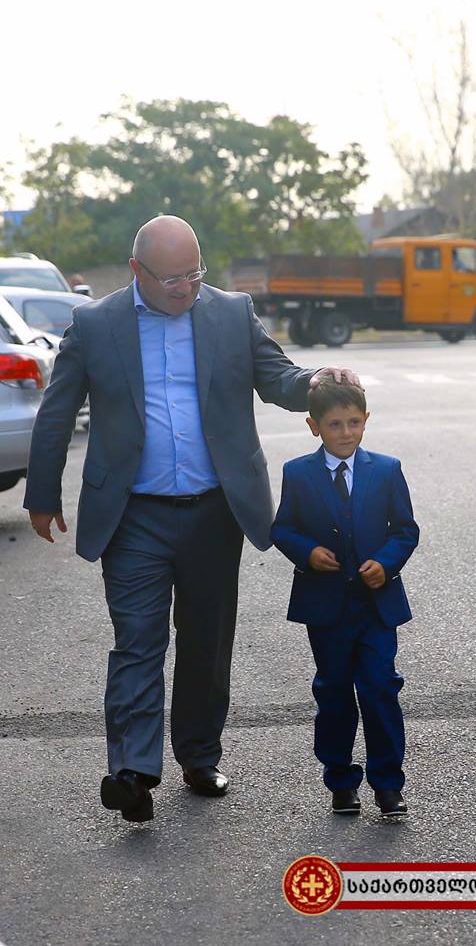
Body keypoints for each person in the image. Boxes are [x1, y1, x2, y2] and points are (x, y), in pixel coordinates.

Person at [23, 215, 360, 823]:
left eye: (194, 274)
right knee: (138, 641)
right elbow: (58, 410)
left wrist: (314, 380)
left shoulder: (230, 313)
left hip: (213, 510)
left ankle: (200, 756)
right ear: (138, 271)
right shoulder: (96, 324)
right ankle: (132, 771)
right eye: (172, 279)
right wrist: (42, 494)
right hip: (133, 514)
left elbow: (276, 377)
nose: (186, 289)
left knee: (206, 641)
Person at [271, 382, 419, 819]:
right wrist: (308, 552)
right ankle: (340, 781)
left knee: (380, 689)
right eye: (335, 424)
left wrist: (386, 563)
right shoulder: (298, 473)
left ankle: (388, 784)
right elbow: (283, 529)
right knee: (334, 692)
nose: (346, 432)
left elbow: (405, 530)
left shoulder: (386, 470)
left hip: (376, 605)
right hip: (326, 608)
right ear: (313, 426)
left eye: (354, 422)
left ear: (366, 420)